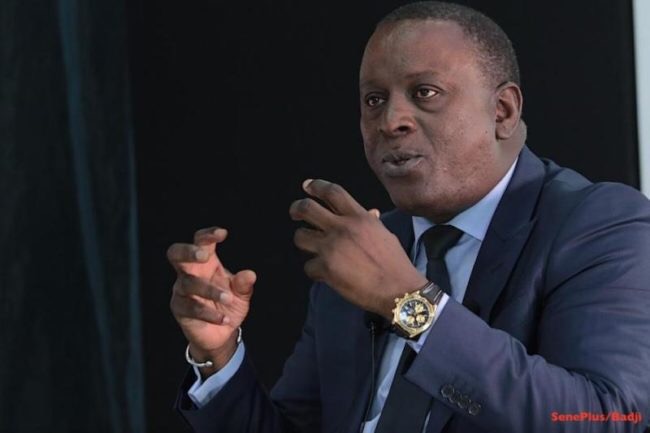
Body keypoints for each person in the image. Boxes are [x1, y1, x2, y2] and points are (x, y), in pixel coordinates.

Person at [166, 2, 650, 432]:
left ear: (502, 111)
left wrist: (407, 301)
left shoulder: (598, 223)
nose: (390, 121)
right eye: (374, 100)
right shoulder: (364, 251)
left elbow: (607, 417)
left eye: (425, 92)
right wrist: (218, 356)